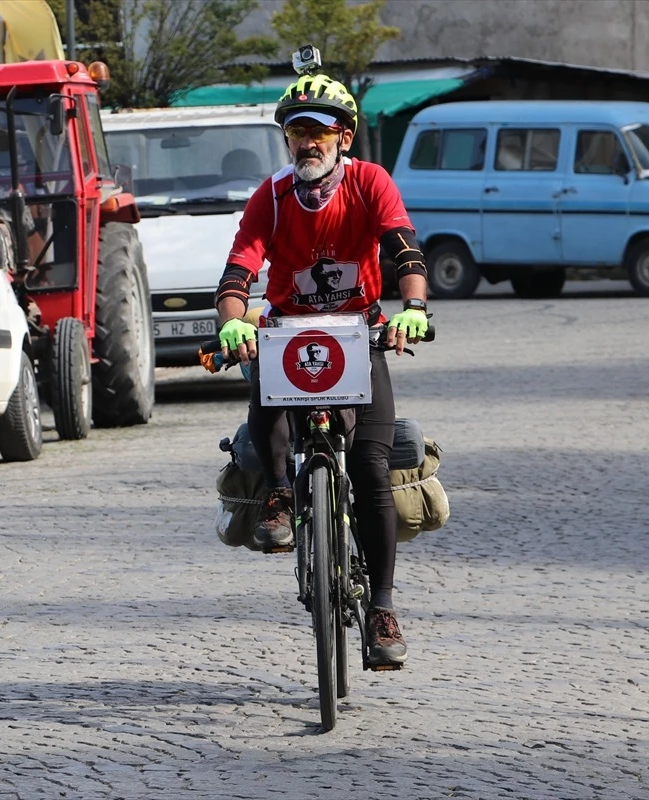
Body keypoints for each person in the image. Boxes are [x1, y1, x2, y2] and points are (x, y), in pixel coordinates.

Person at [212, 67, 430, 668]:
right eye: (296, 132)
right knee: (270, 400)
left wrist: (413, 308)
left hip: (360, 332)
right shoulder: (272, 196)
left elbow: (404, 247)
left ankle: (382, 609)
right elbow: (238, 270)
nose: (307, 142)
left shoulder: (371, 183)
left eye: (319, 132)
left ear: (344, 138)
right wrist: (234, 319)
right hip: (286, 331)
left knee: (371, 468)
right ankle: (281, 496)